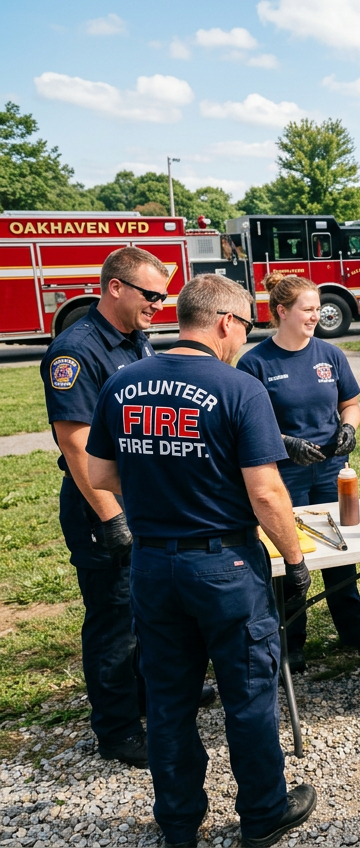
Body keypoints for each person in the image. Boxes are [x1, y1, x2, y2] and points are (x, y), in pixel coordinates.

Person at [85, 274, 317, 848]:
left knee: (167, 700)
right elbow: (265, 494)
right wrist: (294, 558)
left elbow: (99, 475)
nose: (242, 338)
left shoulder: (123, 383)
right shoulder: (239, 388)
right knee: (247, 695)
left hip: (153, 565)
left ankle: (179, 823)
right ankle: (263, 814)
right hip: (224, 567)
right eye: (244, 326)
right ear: (225, 323)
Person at [40, 246, 208, 770]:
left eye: (163, 295)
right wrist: (112, 518)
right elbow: (75, 443)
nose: (159, 305)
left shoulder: (134, 339)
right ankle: (115, 729)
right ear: (115, 287)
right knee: (113, 618)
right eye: (150, 294)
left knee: (145, 611)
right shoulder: (76, 350)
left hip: (140, 498)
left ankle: (144, 695)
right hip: (102, 505)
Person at [236, 275, 360, 672]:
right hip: (285, 475)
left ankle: (352, 628)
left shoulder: (330, 355)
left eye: (318, 308)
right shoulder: (256, 362)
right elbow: (248, 425)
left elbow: (351, 404)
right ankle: (290, 639)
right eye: (308, 309)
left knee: (340, 549)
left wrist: (349, 427)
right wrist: (283, 442)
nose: (318, 315)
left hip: (332, 469)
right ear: (282, 312)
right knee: (287, 554)